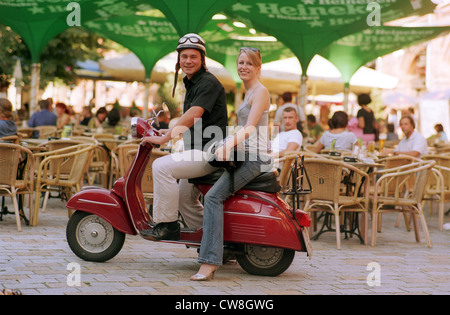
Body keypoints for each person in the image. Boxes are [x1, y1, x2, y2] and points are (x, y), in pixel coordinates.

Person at [192, 47, 272, 281]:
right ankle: (220, 247)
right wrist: (223, 142)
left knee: (214, 197)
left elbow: (249, 128)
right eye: (240, 63)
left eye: (249, 63)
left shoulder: (261, 92)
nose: (243, 67)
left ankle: (209, 261)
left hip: (255, 158)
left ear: (258, 67)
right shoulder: (248, 93)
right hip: (245, 153)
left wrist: (227, 146)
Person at [140, 33, 228, 240]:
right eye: (184, 57)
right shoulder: (191, 82)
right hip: (196, 150)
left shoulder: (207, 82)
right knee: (184, 199)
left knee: (161, 167)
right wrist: (166, 131)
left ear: (202, 59)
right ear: (178, 60)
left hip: (208, 152)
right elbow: (193, 120)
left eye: (193, 57)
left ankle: (167, 225)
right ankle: (213, 241)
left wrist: (165, 138)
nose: (188, 61)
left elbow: (194, 114)